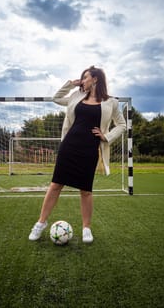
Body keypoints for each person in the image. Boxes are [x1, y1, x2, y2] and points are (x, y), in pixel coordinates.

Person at [29, 66, 126, 243]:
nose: (82, 80)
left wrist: (106, 136)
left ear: (95, 79)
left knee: (86, 190)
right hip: (69, 146)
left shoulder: (111, 102)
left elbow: (122, 125)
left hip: (90, 149)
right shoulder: (76, 96)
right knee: (56, 185)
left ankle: (86, 228)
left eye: (85, 77)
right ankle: (40, 223)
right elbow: (56, 98)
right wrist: (71, 85)